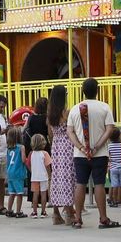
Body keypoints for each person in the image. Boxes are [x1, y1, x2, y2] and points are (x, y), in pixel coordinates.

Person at [67, 77, 118, 229]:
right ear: (97, 91)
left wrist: (81, 147)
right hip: (100, 153)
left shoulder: (75, 109)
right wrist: (96, 147)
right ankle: (103, 218)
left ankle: (77, 219)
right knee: (99, 184)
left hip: (80, 154)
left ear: (82, 91)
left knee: (80, 184)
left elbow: (70, 131)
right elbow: (110, 129)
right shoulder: (104, 107)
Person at [46, 85, 75, 227]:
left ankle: (56, 213)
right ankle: (70, 213)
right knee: (68, 178)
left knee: (57, 179)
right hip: (67, 146)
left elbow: (50, 134)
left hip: (56, 147)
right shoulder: (66, 112)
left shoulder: (50, 114)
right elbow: (72, 130)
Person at [4, 123, 28, 218]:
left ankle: (9, 210)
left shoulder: (9, 149)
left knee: (12, 193)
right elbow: (23, 160)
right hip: (18, 172)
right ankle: (18, 211)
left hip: (10, 172)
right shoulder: (21, 147)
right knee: (19, 193)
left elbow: (8, 161)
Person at [28, 133, 50, 217]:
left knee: (35, 194)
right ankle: (43, 212)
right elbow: (48, 165)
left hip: (34, 177)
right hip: (43, 176)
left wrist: (32, 171)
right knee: (43, 194)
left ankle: (34, 212)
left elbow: (28, 164)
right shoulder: (45, 153)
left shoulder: (31, 154)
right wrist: (49, 175)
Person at [107, 126, 121, 209]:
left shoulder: (109, 146)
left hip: (113, 168)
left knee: (114, 184)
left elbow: (108, 157)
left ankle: (114, 201)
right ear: (119, 136)